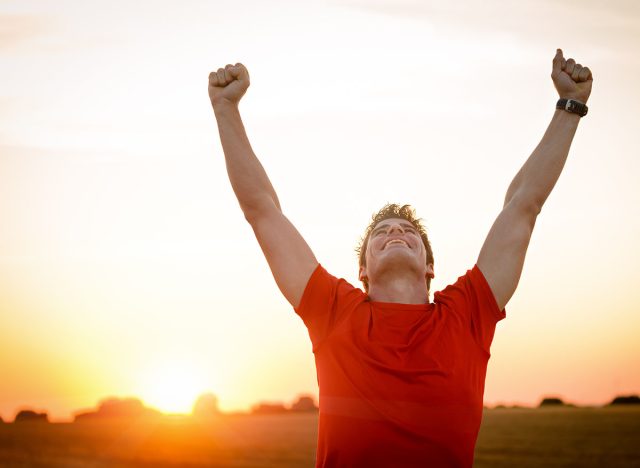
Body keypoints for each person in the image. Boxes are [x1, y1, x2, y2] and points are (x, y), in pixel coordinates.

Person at [207, 49, 593, 468]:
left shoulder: (467, 314)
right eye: (382, 232)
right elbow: (262, 211)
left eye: (409, 232)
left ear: (429, 267)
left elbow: (522, 206)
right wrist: (225, 107)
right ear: (362, 272)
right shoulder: (333, 311)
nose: (396, 231)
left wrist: (569, 106)